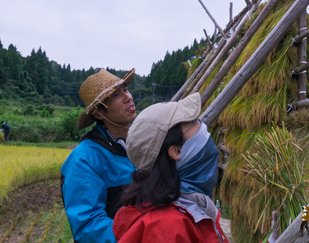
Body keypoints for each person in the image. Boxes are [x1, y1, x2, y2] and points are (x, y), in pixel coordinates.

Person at [112, 92, 228, 243]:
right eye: (193, 123)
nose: (203, 128)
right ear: (176, 151)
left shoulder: (193, 205)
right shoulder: (166, 228)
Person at [61, 69, 137, 243]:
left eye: (125, 89)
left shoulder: (146, 143)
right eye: (116, 95)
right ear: (98, 113)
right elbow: (89, 226)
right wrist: (141, 234)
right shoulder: (84, 159)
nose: (127, 97)